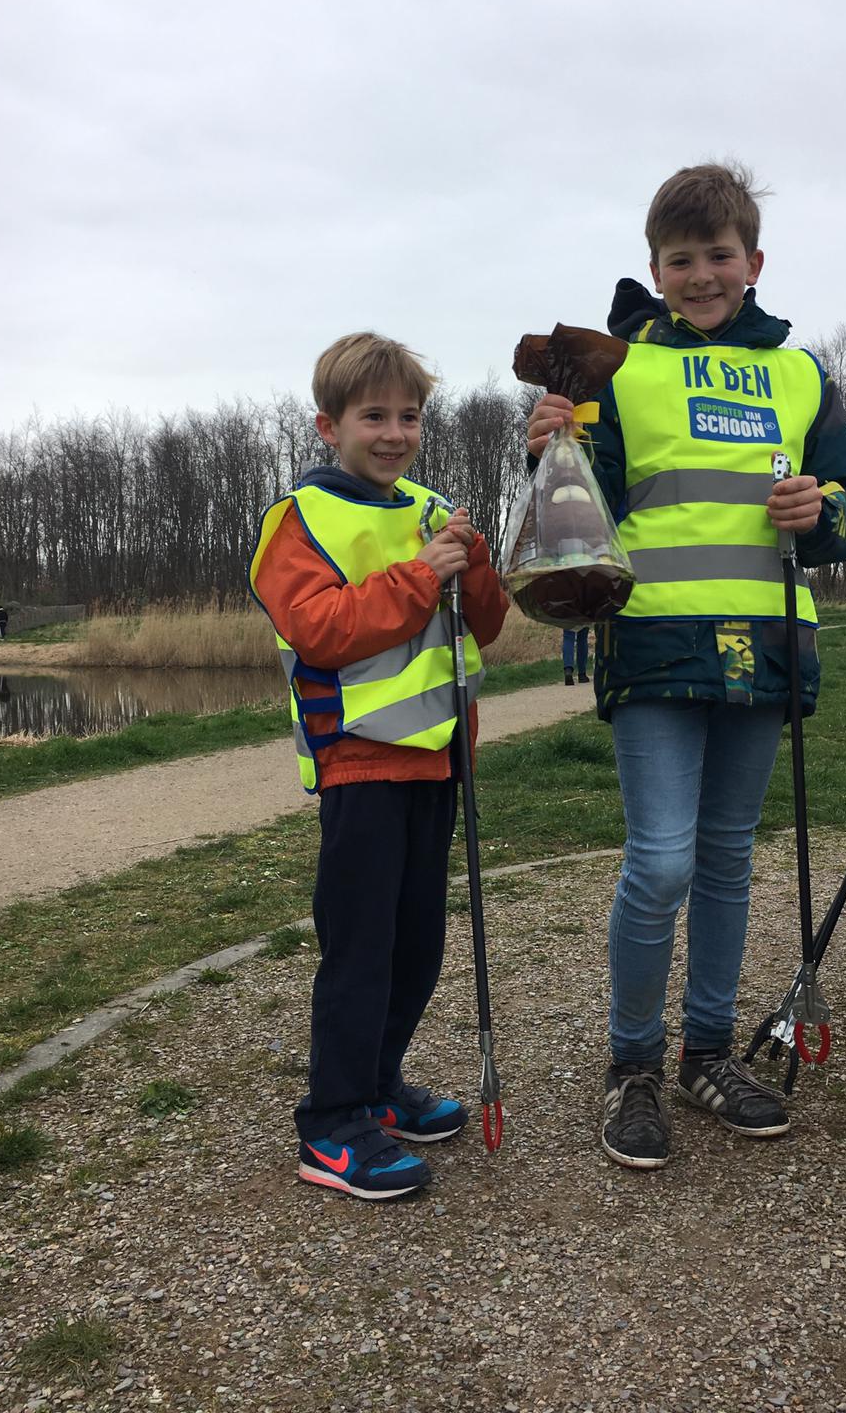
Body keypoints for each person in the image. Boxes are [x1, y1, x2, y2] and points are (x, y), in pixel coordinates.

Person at [527, 162, 846, 1170]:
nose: (701, 275)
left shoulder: (803, 373)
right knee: (662, 860)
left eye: (719, 256)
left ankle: (707, 1053)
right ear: (655, 267)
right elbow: (571, 503)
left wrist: (828, 513)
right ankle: (632, 1064)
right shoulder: (618, 368)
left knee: (726, 858)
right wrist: (547, 442)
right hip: (653, 640)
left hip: (767, 641)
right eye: (681, 260)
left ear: (753, 262)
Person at [250, 331, 508, 1200]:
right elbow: (319, 629)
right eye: (374, 417)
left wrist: (472, 567)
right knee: (360, 950)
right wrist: (418, 578)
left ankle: (380, 1084)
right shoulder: (300, 519)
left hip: (438, 764)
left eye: (409, 416)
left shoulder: (433, 509)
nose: (394, 433)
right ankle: (331, 1123)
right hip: (359, 761)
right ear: (329, 426)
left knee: (417, 947)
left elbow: (487, 624)